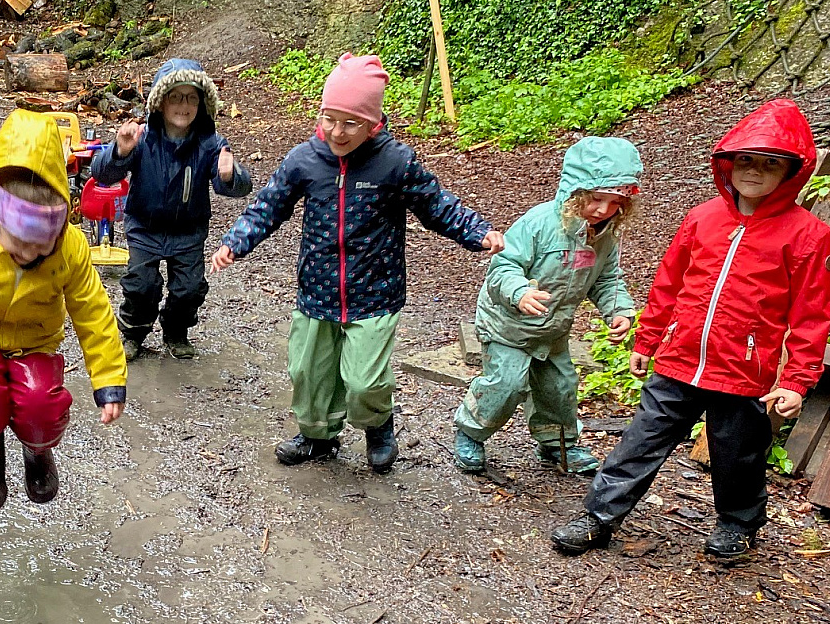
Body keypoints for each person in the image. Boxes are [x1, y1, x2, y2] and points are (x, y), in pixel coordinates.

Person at [552, 99, 830, 560]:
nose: (754, 171)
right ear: (727, 163)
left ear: (792, 171)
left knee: (738, 455)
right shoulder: (703, 217)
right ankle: (599, 517)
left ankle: (738, 524)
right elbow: (669, 282)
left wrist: (796, 380)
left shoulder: (806, 234)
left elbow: (811, 314)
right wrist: (648, 338)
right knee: (640, 441)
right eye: (745, 160)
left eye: (769, 163)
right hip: (680, 358)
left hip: (746, 372)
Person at [210, 53, 504, 472]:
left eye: (351, 122)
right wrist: (236, 243)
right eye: (330, 118)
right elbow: (267, 207)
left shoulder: (394, 161)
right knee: (308, 373)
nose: (337, 131)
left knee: (365, 382)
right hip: (317, 289)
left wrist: (478, 232)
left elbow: (436, 204)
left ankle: (378, 425)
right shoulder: (305, 159)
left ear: (373, 123)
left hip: (375, 292)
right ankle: (318, 436)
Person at [0, 109, 127, 510]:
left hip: (35, 342)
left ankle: (38, 451)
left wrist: (108, 379)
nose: (28, 254)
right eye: (18, 242)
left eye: (41, 244)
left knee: (41, 403)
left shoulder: (70, 250)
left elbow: (93, 311)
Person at [454, 136, 643, 476]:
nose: (603, 210)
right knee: (506, 384)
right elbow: (503, 266)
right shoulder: (539, 223)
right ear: (577, 191)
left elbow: (607, 278)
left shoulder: (604, 235)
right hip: (508, 324)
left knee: (559, 388)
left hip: (554, 327)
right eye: (596, 199)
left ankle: (556, 442)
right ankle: (471, 431)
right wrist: (519, 292)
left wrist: (618, 310)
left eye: (615, 203)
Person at [88, 58, 253, 360]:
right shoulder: (141, 138)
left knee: (189, 289)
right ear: (160, 102)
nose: (183, 105)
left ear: (202, 104)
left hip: (188, 231)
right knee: (141, 286)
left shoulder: (211, 143)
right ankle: (133, 332)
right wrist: (120, 151)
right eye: (175, 96)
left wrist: (231, 176)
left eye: (192, 98)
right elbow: (102, 174)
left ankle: (176, 332)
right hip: (144, 227)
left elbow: (236, 184)